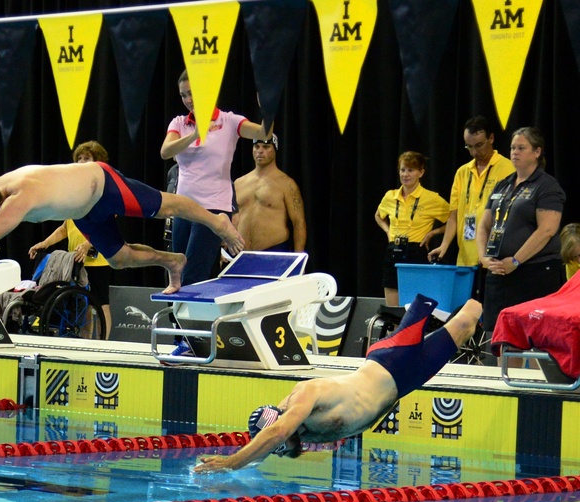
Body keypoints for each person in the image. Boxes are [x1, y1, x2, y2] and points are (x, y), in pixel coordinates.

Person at [195, 295, 482, 471]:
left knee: (455, 316)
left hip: (393, 360)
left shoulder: (304, 397)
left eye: (277, 444)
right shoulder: (300, 434)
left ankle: (494, 279)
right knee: (464, 327)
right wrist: (237, 465)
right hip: (405, 380)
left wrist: (230, 463)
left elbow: (277, 434)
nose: (282, 449)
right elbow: (269, 444)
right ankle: (484, 291)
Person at [0, 162, 245, 294]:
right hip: (83, 211)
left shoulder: (18, 198)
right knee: (120, 259)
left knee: (166, 206)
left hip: (102, 185)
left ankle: (216, 220)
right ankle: (173, 261)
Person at [161, 70, 268, 285]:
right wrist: (194, 134)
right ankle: (179, 318)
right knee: (177, 271)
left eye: (192, 93)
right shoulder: (180, 123)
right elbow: (165, 152)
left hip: (214, 209)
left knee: (194, 273)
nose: (188, 100)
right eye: (183, 96)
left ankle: (191, 319)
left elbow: (263, 134)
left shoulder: (229, 121)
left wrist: (268, 108)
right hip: (184, 208)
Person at [476, 127, 564, 345]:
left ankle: (534, 379)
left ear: (537, 152)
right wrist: (484, 258)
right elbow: (483, 226)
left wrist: (515, 261)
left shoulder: (547, 186)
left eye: (522, 148)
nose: (515, 152)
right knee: (503, 339)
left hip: (534, 272)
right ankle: (503, 378)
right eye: (513, 148)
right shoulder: (503, 184)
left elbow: (547, 230)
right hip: (499, 273)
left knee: (536, 338)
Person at [28, 141, 114, 335]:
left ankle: (105, 345)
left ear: (97, 162)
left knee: (100, 304)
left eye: (87, 158)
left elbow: (106, 227)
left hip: (97, 260)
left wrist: (87, 244)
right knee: (81, 304)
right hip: (74, 260)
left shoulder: (104, 192)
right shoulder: (74, 193)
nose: (81, 162)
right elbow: (64, 228)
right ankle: (84, 345)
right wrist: (44, 243)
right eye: (79, 158)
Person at [429, 116, 516, 298]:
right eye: (469, 146)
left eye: (479, 145)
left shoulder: (508, 168)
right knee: (465, 312)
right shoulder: (462, 172)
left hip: (494, 254)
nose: (474, 151)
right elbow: (454, 215)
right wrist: (444, 245)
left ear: (491, 139)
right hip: (466, 256)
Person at [374, 151, 450, 306]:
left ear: (421, 173)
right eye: (403, 170)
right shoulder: (390, 196)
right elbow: (378, 216)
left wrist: (434, 233)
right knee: (393, 307)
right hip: (394, 249)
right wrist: (388, 231)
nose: (405, 174)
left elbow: (453, 220)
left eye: (411, 170)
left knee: (413, 305)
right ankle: (394, 330)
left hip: (416, 250)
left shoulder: (431, 198)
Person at [231, 135, 306, 252]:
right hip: (241, 254)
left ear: (275, 149)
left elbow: (298, 222)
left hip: (274, 252)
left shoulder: (287, 184)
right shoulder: (238, 183)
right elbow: (230, 219)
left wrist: (298, 259)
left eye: (266, 147)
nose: (260, 151)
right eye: (257, 146)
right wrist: (225, 245)